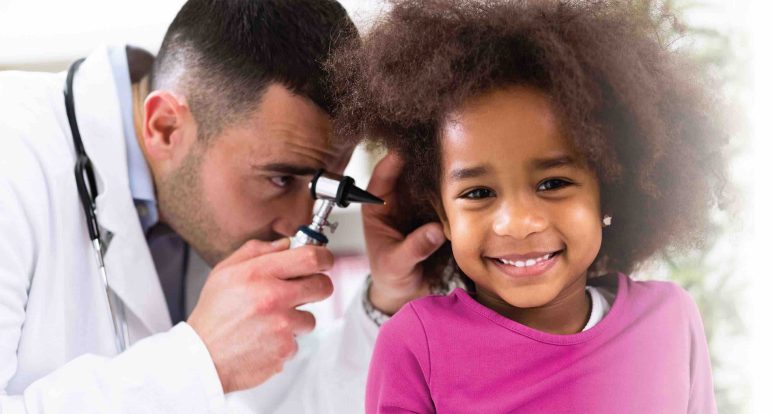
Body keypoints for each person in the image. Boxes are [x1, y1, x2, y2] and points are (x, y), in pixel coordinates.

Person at [0, 1, 445, 413]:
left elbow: (282, 402)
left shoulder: (203, 192)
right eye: (280, 179)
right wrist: (198, 363)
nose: (296, 221)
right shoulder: (14, 154)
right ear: (166, 127)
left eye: (322, 185)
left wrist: (387, 300)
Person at [331, 0, 726, 412]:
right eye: (479, 193)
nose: (517, 224)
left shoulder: (668, 320)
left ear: (607, 192)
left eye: (553, 183)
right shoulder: (417, 345)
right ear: (443, 213)